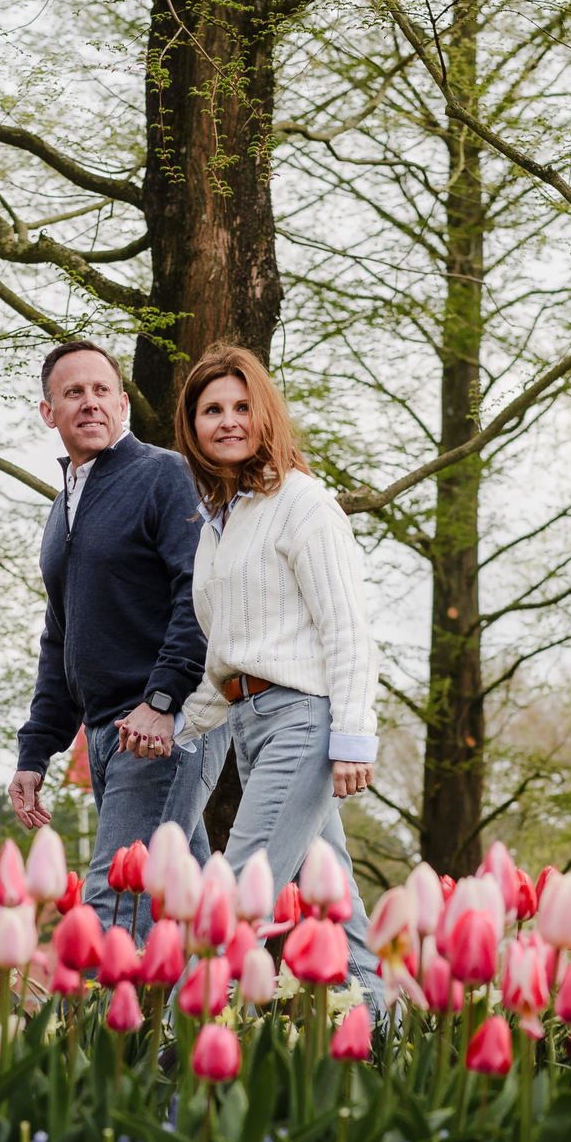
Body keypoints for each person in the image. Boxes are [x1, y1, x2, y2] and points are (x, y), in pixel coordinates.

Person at [173, 343, 382, 1000]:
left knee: (240, 892)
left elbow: (346, 627)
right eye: (211, 410)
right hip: (249, 723)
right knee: (334, 898)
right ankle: (385, 1035)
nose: (228, 421)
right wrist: (179, 727)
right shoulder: (217, 524)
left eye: (242, 406)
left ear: (266, 415)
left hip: (303, 721)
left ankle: (173, 1043)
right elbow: (230, 653)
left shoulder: (303, 503)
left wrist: (353, 738)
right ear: (193, 426)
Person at [8, 340, 229, 933]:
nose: (90, 403)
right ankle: (233, 994)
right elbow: (61, 638)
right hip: (106, 732)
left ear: (123, 404)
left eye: (102, 390)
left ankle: (85, 1010)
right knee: (190, 916)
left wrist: (162, 700)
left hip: (165, 725)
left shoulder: (165, 474)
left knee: (114, 907)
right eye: (73, 392)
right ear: (48, 412)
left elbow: (199, 594)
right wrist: (36, 751)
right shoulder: (64, 508)